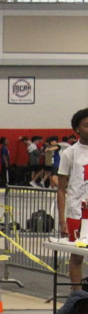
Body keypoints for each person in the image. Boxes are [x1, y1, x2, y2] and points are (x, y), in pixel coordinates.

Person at [57, 108, 88, 287]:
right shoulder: (70, 153)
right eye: (86, 125)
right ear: (77, 129)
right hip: (76, 212)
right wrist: (62, 220)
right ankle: (77, 296)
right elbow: (61, 189)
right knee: (77, 256)